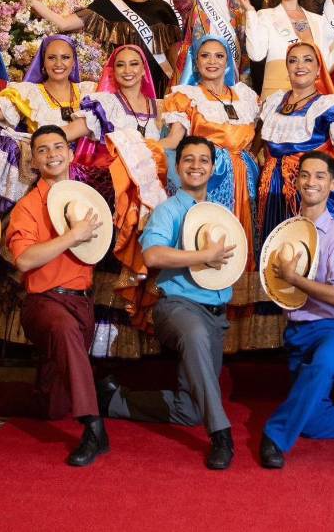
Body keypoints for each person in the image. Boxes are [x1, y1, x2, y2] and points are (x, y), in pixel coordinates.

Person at [99, 136, 238, 470]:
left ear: (213, 167)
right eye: (188, 159)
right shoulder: (168, 210)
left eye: (203, 160)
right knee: (193, 336)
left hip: (215, 314)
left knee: (189, 409)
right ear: (177, 168)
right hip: (177, 307)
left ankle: (113, 399)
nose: (195, 166)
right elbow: (153, 254)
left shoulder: (220, 213)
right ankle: (221, 434)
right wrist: (203, 255)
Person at [6, 125, 109, 467]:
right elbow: (24, 260)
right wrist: (72, 235)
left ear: (69, 152)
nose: (52, 154)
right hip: (44, 303)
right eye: (43, 150)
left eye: (58, 147)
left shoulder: (85, 197)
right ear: (34, 160)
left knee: (52, 407)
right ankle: (94, 428)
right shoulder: (27, 207)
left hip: (82, 302)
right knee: (63, 331)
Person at [260, 151, 334, 468]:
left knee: (322, 366)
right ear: (295, 182)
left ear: (333, 185)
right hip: (296, 332)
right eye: (305, 175)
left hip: (332, 330)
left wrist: (296, 278)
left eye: (320, 176)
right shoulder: (287, 231)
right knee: (309, 420)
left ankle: (274, 436)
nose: (311, 182)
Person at [161, 35, 260, 342]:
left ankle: (239, 330)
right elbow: (174, 141)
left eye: (219, 56)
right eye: (205, 56)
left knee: (245, 241)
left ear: (228, 61)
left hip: (247, 178)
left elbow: (257, 140)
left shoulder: (246, 96)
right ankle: (205, 315)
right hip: (209, 177)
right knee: (210, 238)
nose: (213, 61)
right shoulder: (187, 97)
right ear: (196, 61)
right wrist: (138, 146)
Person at [73, 45, 168, 358]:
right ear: (112, 72)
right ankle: (104, 346)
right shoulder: (107, 104)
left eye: (134, 65)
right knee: (115, 263)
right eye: (120, 66)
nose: (128, 71)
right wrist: (45, 138)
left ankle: (140, 343)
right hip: (118, 197)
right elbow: (78, 129)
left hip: (153, 198)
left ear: (144, 70)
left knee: (148, 263)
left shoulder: (161, 107)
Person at [6, 0, 181, 98]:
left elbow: (174, 57)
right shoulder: (106, 4)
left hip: (159, 86)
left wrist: (177, 89)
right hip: (122, 88)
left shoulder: (162, 8)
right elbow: (63, 24)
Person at [257, 42, 334, 250]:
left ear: (318, 69)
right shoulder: (273, 103)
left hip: (306, 189)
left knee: (304, 248)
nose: (299, 65)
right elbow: (256, 143)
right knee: (274, 248)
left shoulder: (327, 105)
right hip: (271, 189)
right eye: (293, 61)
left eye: (307, 60)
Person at [0, 35, 97, 211]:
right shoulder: (30, 93)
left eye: (65, 57)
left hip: (86, 172)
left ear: (74, 62)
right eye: (52, 58)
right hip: (45, 170)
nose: (58, 63)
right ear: (43, 63)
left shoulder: (90, 91)